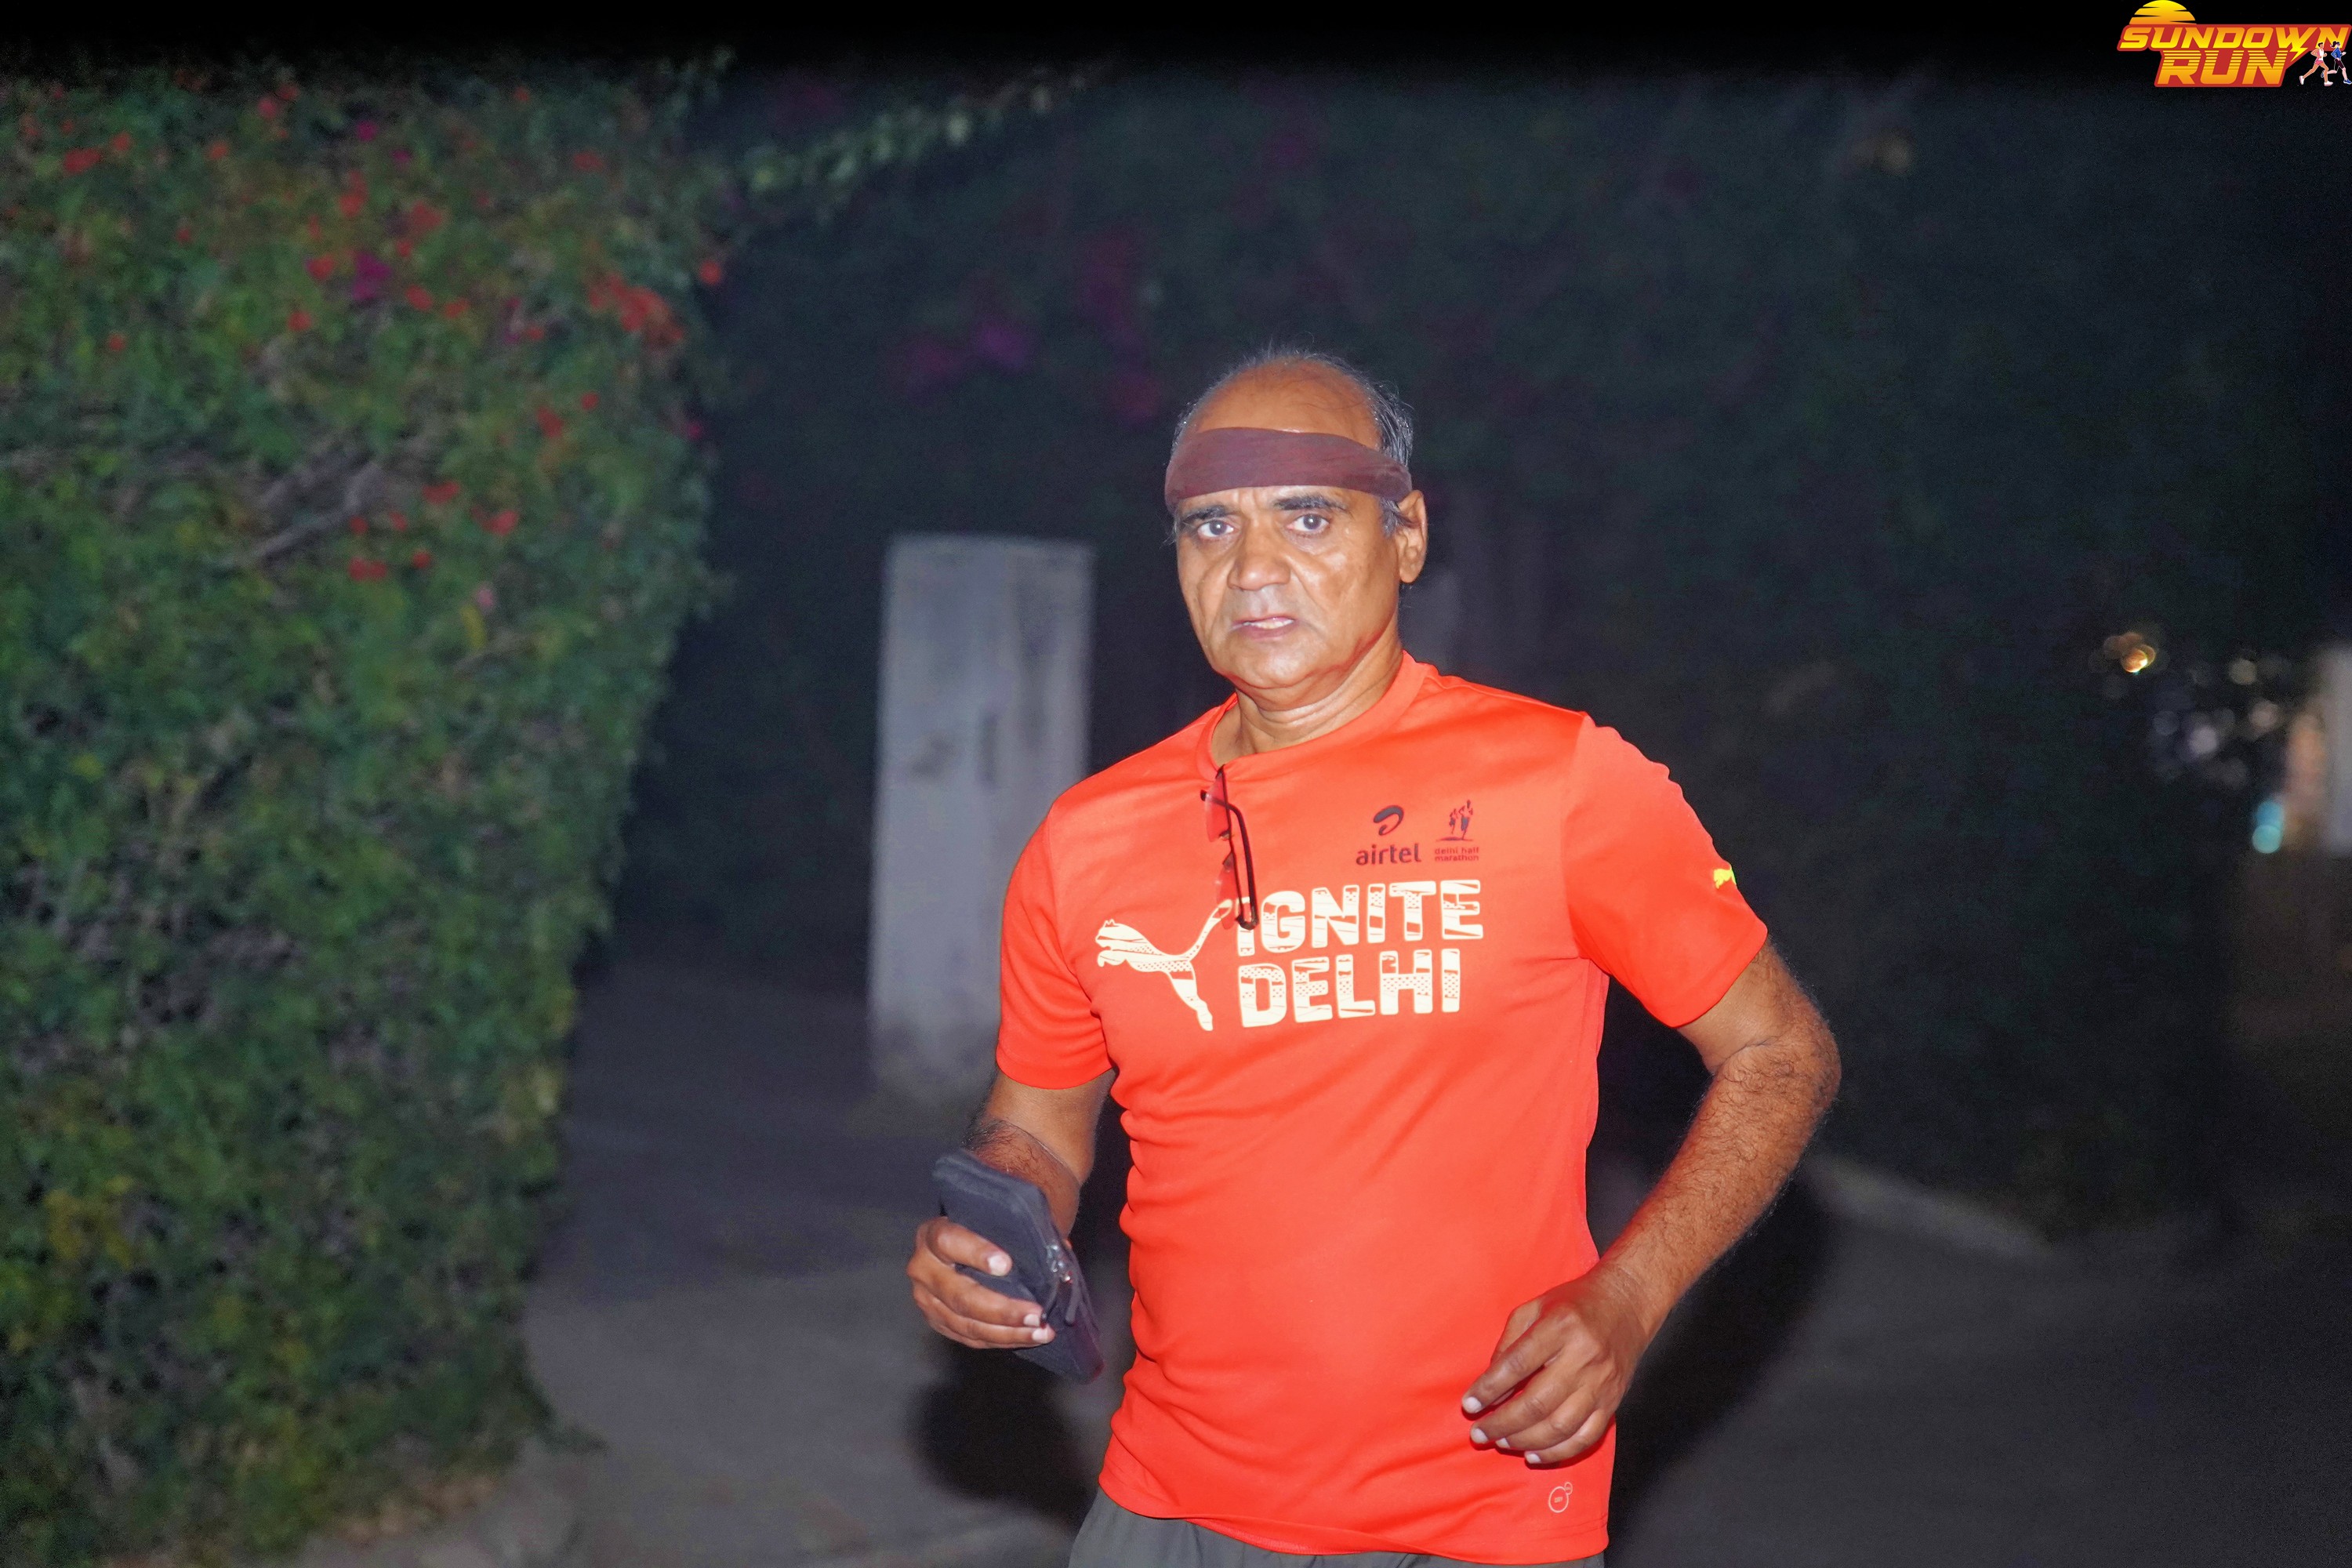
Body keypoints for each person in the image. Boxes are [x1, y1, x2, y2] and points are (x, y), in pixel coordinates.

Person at [906, 348, 1841, 1567]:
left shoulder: (1561, 784)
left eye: (1307, 516)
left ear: (1405, 537)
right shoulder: (1088, 840)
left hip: (1480, 1511)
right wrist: (995, 1224)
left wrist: (1631, 1294)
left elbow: (1782, 1053)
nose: (1253, 568)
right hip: (1170, 1505)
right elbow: (1037, 1121)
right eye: (1210, 525)